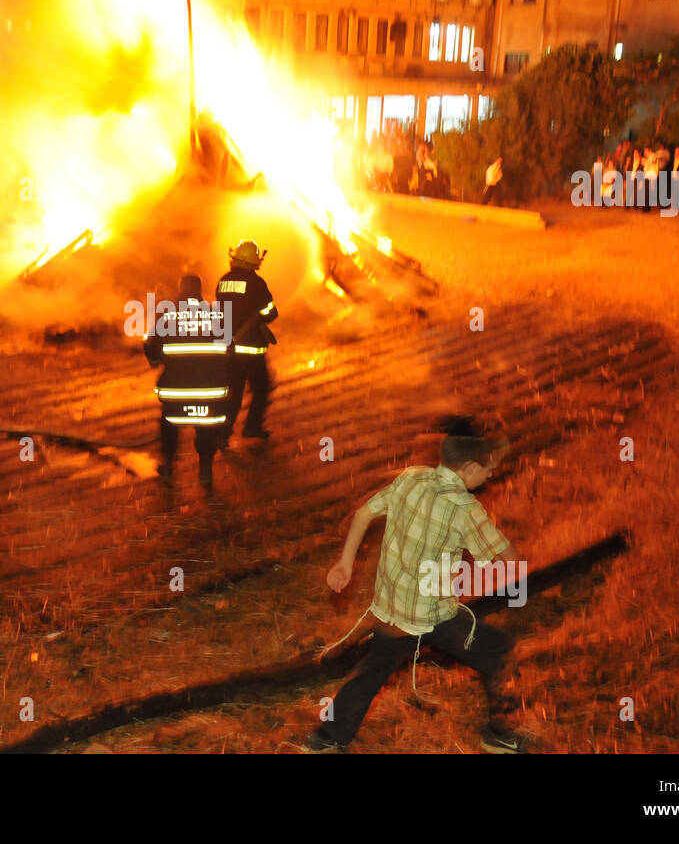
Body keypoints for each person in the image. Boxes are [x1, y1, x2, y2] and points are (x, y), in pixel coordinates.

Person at [306, 420, 525, 753]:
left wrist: (345, 563)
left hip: (393, 608)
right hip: (434, 615)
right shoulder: (466, 509)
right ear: (468, 467)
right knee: (499, 651)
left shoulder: (410, 478)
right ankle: (498, 732)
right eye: (489, 469)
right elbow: (509, 559)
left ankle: (326, 738)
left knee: (372, 670)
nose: (491, 476)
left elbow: (364, 514)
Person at [142, 274, 229, 489]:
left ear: (180, 289)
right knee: (206, 427)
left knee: (169, 425)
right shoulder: (215, 314)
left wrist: (152, 353)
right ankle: (206, 471)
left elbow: (154, 353)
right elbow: (229, 351)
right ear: (200, 290)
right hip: (208, 389)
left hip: (175, 389)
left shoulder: (166, 314)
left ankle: (169, 468)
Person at [216, 239, 278, 442]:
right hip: (251, 349)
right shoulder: (256, 283)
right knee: (261, 387)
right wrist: (260, 317)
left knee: (233, 393)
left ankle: (223, 434)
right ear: (254, 262)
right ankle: (252, 427)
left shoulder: (223, 281)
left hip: (228, 347)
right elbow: (270, 312)